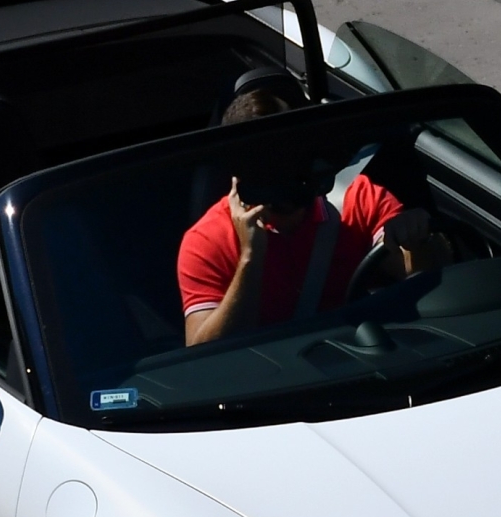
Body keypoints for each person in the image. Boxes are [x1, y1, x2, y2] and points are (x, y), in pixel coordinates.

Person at [177, 69, 442, 345]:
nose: (285, 177)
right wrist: (250, 259)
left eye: (293, 157)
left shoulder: (357, 198)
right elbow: (202, 353)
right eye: (268, 165)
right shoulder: (206, 240)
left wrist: (417, 240)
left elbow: (422, 279)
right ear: (240, 174)